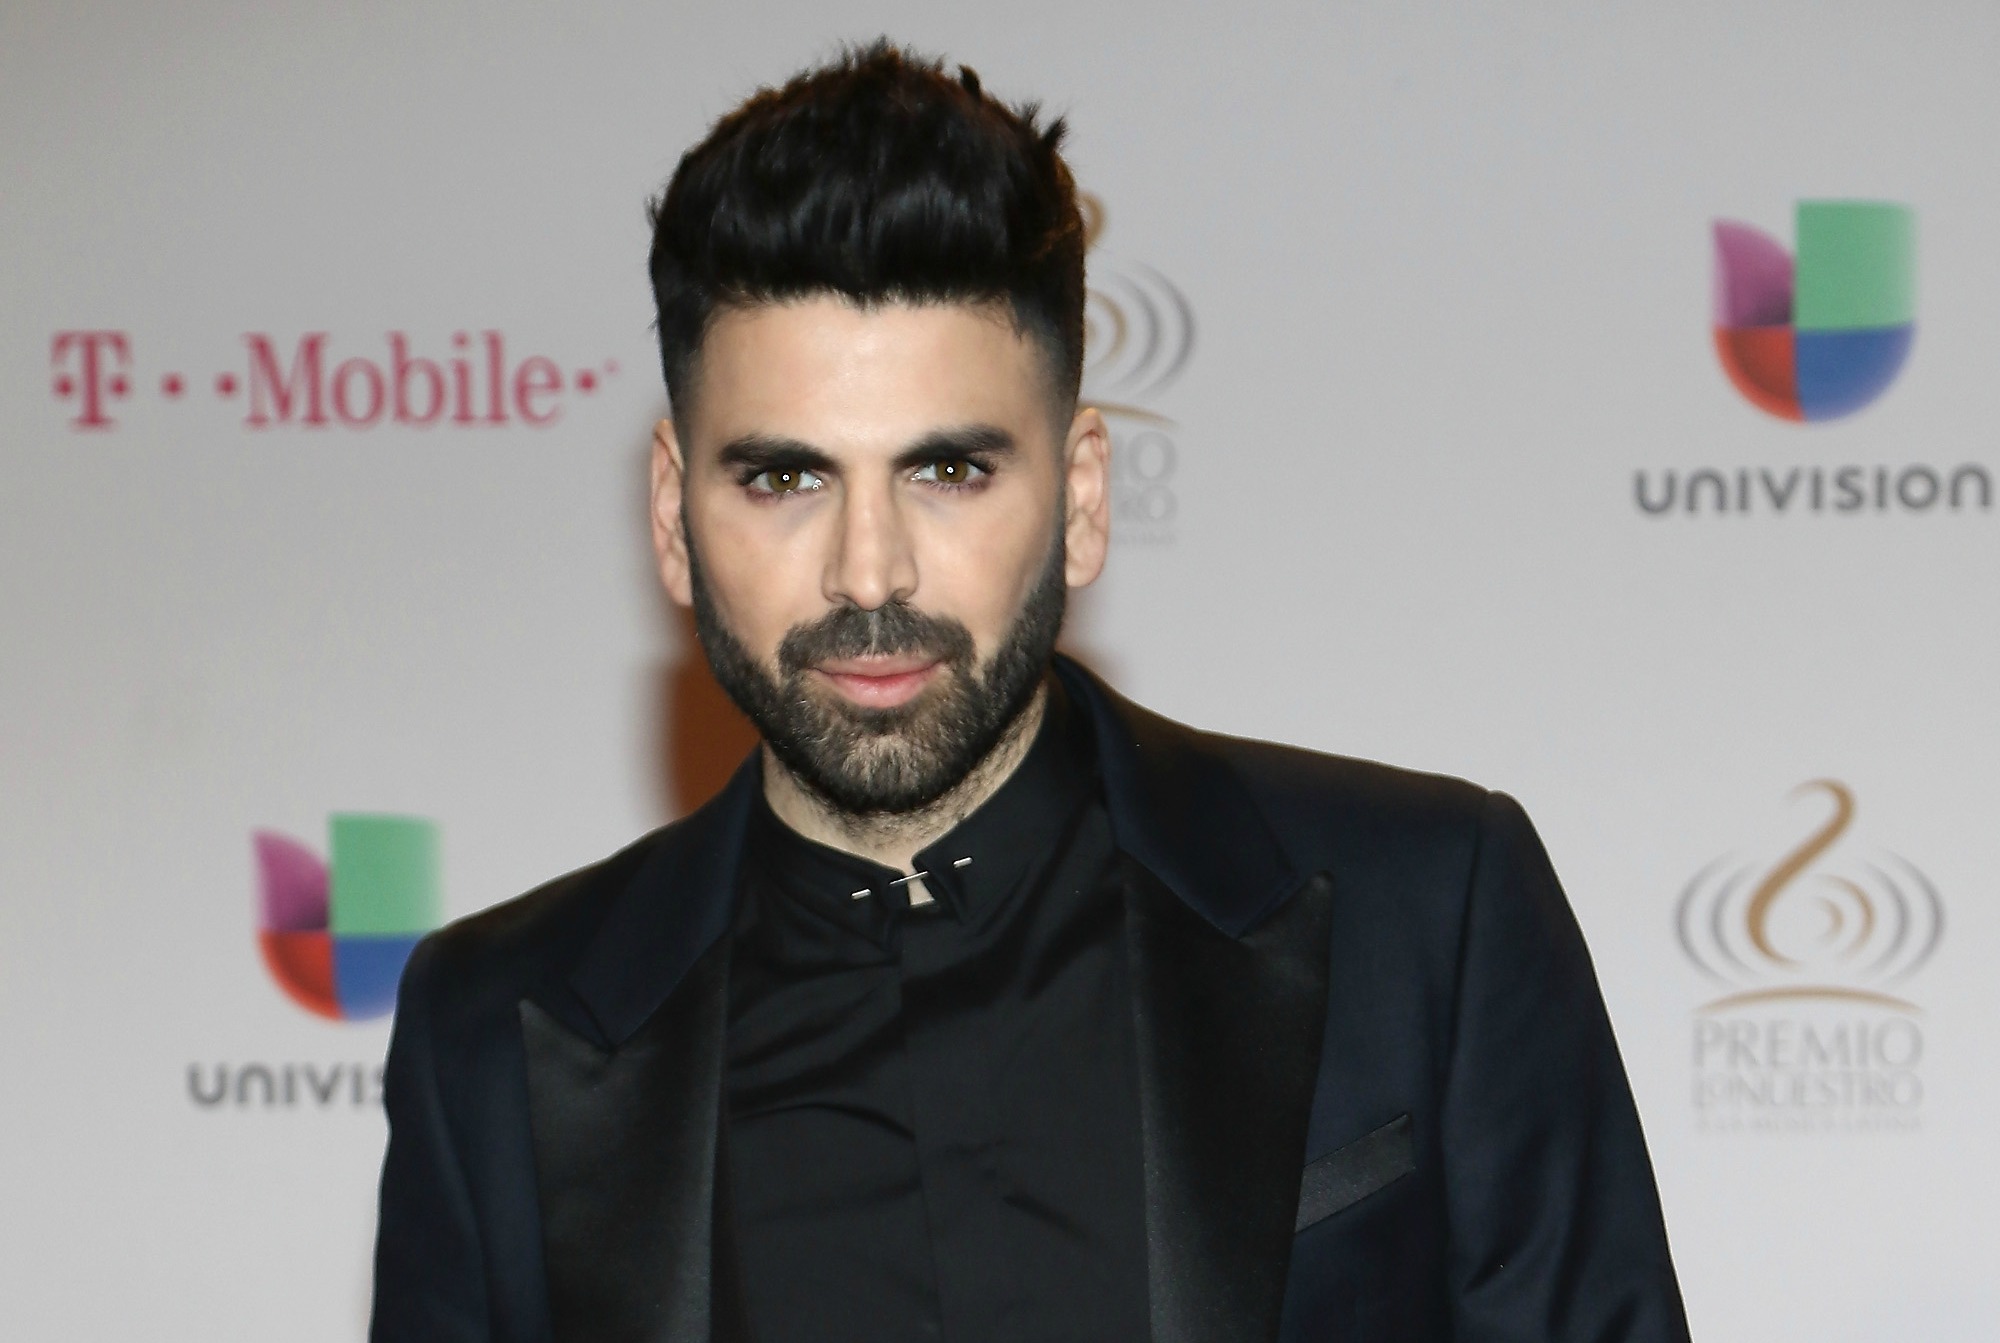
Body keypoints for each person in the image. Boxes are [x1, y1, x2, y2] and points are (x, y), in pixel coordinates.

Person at [370, 41, 1691, 1343]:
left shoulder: (1429, 915)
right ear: (672, 515)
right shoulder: (491, 1034)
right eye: (785, 478)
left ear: (1084, 496)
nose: (869, 571)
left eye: (949, 472)